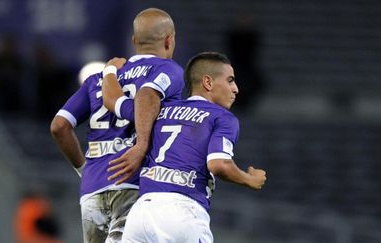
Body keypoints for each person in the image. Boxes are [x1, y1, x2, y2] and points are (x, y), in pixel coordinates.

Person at [50, 8, 184, 243]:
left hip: (92, 189)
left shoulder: (97, 79)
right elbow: (147, 97)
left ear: (134, 41)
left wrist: (84, 169)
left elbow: (59, 126)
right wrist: (142, 144)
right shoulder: (167, 70)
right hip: (135, 182)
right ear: (169, 39)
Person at [103, 52, 267, 242]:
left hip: (141, 214)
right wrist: (249, 179)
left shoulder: (158, 109)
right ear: (208, 82)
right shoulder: (222, 117)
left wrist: (109, 71)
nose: (236, 89)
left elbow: (113, 101)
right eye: (230, 81)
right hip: (183, 212)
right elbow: (218, 165)